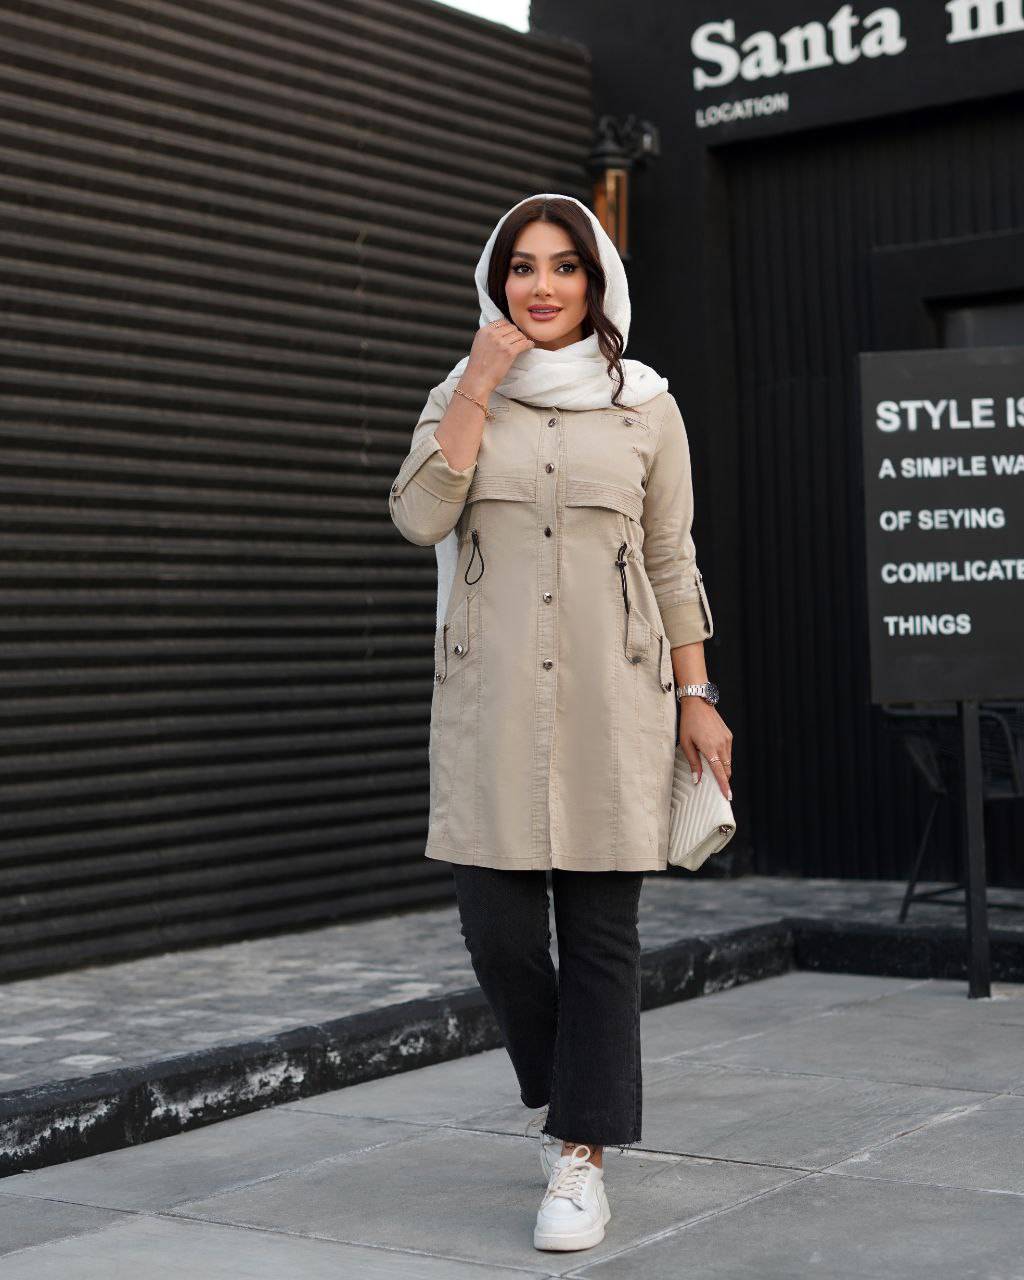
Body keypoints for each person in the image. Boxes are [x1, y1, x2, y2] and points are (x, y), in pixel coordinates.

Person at [387, 193, 734, 1253]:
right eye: (523, 266)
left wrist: (698, 696)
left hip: (616, 697)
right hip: (488, 699)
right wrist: (478, 382)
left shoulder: (646, 407)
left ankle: (581, 1153)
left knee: (599, 939)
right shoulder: (460, 392)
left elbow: (671, 558)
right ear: (497, 282)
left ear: (596, 282)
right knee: (496, 933)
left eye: (564, 266)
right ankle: (571, 1093)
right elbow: (418, 516)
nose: (542, 286)